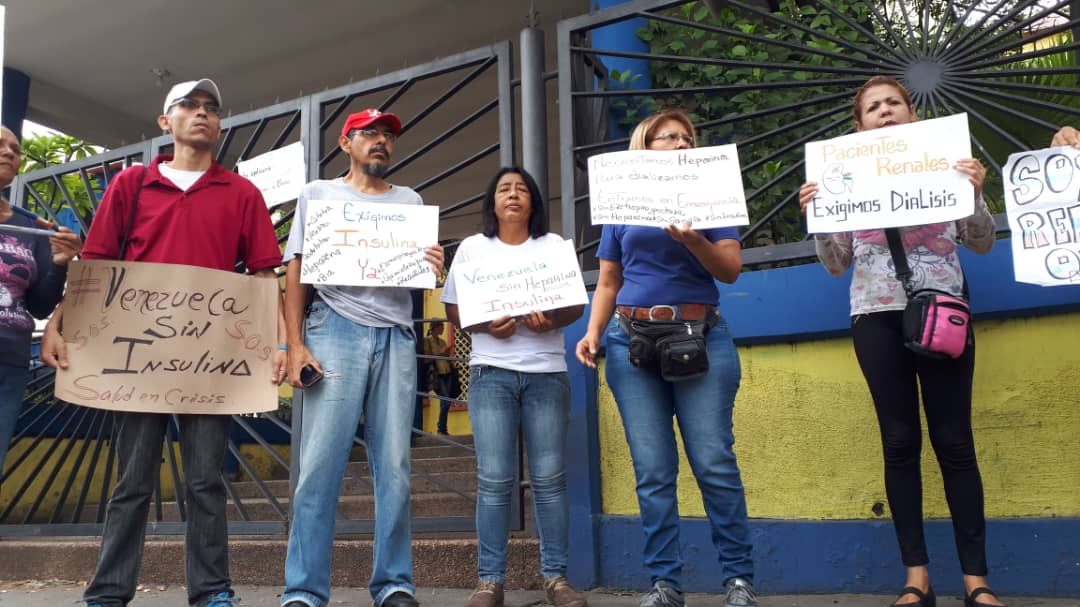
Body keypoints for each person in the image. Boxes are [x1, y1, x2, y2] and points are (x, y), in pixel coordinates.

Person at [39, 79, 286, 607]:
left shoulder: (243, 194)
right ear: (164, 122)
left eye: (211, 108)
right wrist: (59, 321)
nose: (202, 114)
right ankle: (108, 592)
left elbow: (265, 277)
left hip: (210, 361)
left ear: (219, 125)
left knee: (204, 481)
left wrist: (282, 344)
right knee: (132, 481)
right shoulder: (131, 186)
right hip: (136, 358)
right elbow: (98, 270)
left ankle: (212, 591)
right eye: (189, 106)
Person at [798, 76, 1003, 607]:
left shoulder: (943, 167)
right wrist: (820, 217)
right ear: (859, 123)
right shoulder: (841, 176)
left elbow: (981, 242)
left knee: (956, 442)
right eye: (873, 107)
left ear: (912, 115)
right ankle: (918, 579)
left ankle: (976, 582)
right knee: (899, 442)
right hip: (875, 316)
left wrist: (976, 193)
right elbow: (836, 262)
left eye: (894, 103)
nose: (885, 112)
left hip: (943, 313)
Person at [574, 109, 757, 607]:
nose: (680, 143)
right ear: (645, 146)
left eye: (687, 138)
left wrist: (693, 239)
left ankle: (738, 581)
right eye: (668, 137)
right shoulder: (622, 202)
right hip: (630, 340)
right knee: (652, 470)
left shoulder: (712, 194)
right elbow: (609, 279)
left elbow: (732, 270)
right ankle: (664, 584)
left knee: (714, 462)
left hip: (701, 335)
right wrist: (591, 333)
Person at [280, 108, 444, 607]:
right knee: (320, 464)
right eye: (369, 134)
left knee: (394, 464)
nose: (381, 142)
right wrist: (294, 344)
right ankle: (304, 590)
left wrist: (433, 266)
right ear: (346, 142)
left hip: (395, 334)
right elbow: (297, 271)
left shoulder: (409, 202)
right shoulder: (318, 194)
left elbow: (420, 278)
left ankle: (394, 583)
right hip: (333, 327)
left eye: (388, 136)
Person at [442, 167, 588, 607]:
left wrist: (553, 318)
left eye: (522, 189)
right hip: (491, 372)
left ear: (533, 203)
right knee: (493, 480)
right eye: (504, 187)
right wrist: (487, 325)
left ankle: (557, 580)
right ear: (492, 202)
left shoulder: (554, 247)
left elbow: (574, 305)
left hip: (546, 372)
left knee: (550, 479)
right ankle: (490, 581)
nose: (513, 194)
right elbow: (452, 307)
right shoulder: (471, 248)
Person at [0, 126, 82, 475]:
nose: (9, 152)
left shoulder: (30, 227)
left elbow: (39, 307)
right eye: (0, 146)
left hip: (10, 360)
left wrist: (61, 264)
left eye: (15, 149)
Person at [423, 321, 456, 435]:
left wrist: (448, 356)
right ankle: (441, 428)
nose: (442, 330)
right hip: (437, 375)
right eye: (441, 327)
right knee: (445, 400)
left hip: (447, 372)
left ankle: (442, 428)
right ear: (435, 328)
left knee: (446, 401)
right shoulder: (427, 341)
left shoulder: (442, 342)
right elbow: (425, 359)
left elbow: (444, 357)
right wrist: (441, 354)